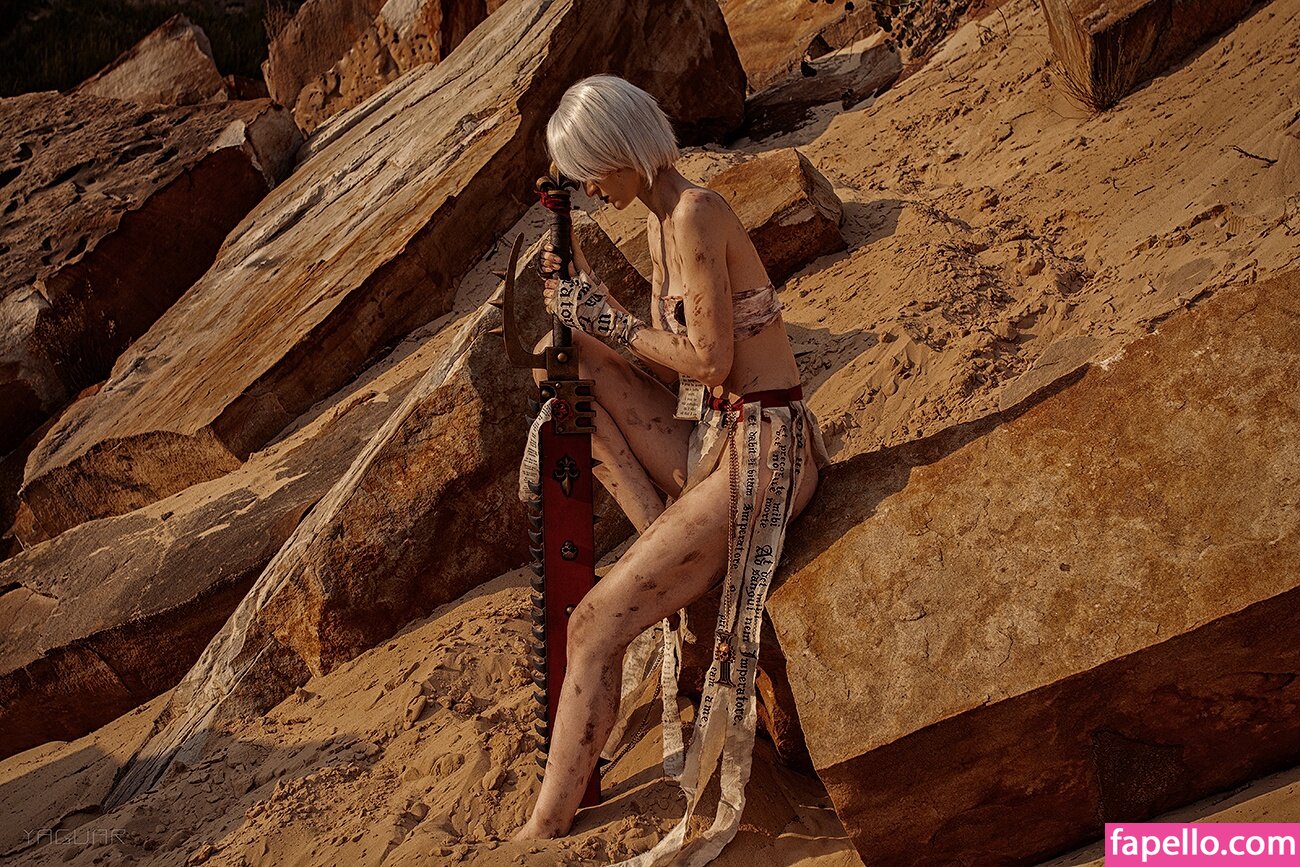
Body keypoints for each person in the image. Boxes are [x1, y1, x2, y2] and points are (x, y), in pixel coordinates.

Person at [510, 74, 831, 864]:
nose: (589, 188)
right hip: (715, 433)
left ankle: (540, 831)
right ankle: (665, 538)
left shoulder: (695, 213)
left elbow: (713, 360)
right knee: (564, 357)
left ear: (621, 148)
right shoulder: (657, 224)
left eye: (592, 169)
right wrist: (585, 305)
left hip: (767, 444)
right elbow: (680, 373)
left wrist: (607, 318)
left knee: (594, 622)